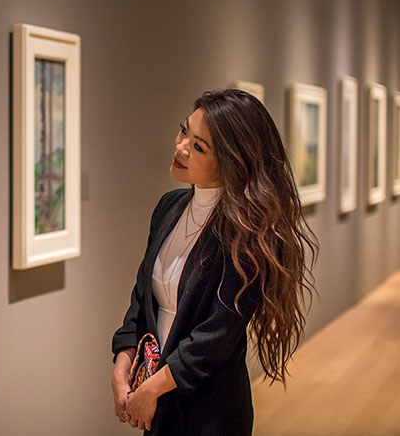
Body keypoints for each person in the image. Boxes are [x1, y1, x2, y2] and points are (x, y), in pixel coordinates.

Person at [110, 89, 317, 435]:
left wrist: (152, 389)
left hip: (209, 410)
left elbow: (216, 336)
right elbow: (141, 300)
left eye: (199, 146)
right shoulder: (169, 207)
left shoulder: (248, 234)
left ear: (232, 162)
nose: (180, 147)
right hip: (158, 397)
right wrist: (122, 363)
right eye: (183, 131)